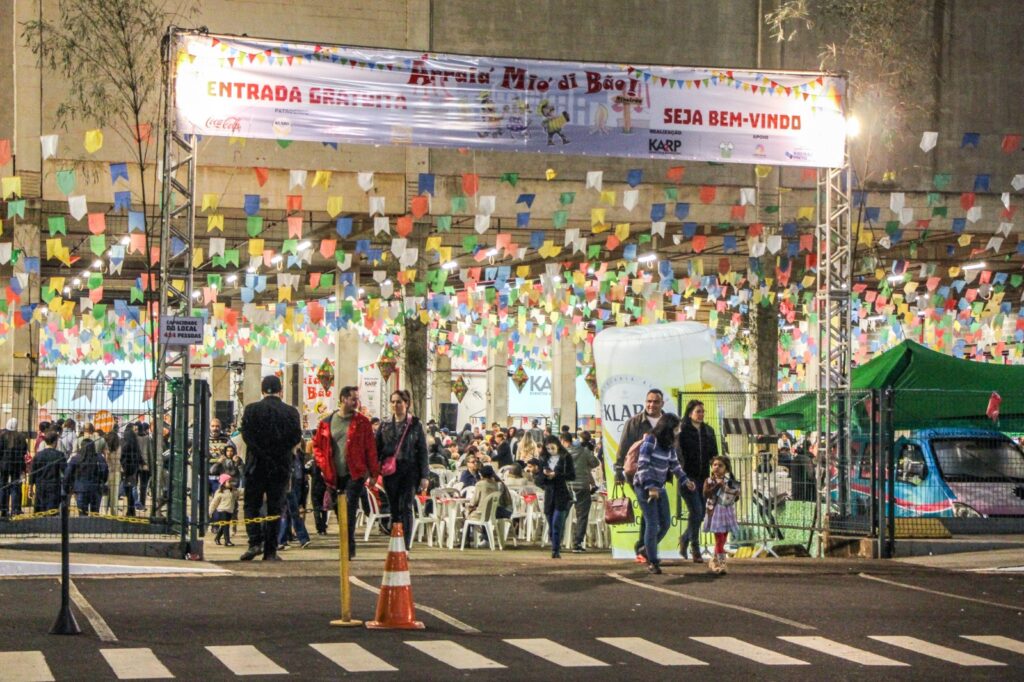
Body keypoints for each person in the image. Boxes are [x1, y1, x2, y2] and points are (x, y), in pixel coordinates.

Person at [239, 375, 303, 561]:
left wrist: (261, 452)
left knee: (251, 504)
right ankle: (270, 550)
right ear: (280, 390)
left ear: (262, 389)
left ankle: (254, 541)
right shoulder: (290, 412)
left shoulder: (251, 410)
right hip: (280, 466)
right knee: (275, 507)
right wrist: (279, 453)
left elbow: (247, 435)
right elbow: (296, 437)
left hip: (256, 465)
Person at [312, 385, 379, 560]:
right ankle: (346, 541)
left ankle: (348, 547)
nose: (356, 402)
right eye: (353, 398)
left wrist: (373, 473)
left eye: (357, 399)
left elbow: (370, 449)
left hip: (354, 474)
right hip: (333, 475)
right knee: (337, 509)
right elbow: (317, 446)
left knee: (349, 508)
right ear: (343, 399)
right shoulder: (326, 422)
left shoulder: (362, 422)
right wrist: (322, 464)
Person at [635, 414, 695, 574]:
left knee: (666, 523)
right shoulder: (651, 440)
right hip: (644, 486)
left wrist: (685, 481)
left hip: (659, 487)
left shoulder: (669, 445)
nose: (679, 431)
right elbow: (642, 465)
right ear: (668, 428)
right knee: (652, 522)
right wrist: (650, 487)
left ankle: (646, 549)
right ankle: (652, 561)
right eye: (676, 428)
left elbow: (674, 465)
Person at [614, 389, 667, 561]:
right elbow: (623, 448)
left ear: (662, 403)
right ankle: (649, 555)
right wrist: (618, 470)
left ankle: (643, 548)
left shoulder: (668, 423)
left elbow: (675, 449)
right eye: (649, 401)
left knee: (658, 519)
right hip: (639, 477)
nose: (652, 405)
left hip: (660, 477)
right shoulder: (634, 423)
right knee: (650, 517)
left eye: (656, 402)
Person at [377, 389, 429, 550]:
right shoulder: (385, 425)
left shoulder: (415, 425)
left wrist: (424, 476)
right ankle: (396, 541)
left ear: (406, 404)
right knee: (394, 508)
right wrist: (375, 469)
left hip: (410, 471)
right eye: (393, 402)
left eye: (399, 402)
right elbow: (376, 448)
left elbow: (422, 451)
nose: (395, 405)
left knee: (406, 506)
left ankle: (406, 545)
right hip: (390, 473)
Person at [678, 399, 719, 563]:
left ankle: (685, 538)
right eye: (698, 411)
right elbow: (677, 454)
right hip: (687, 477)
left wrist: (716, 473)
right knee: (695, 510)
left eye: (703, 411)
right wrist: (681, 475)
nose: (701, 414)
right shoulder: (682, 431)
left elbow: (714, 455)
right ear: (690, 413)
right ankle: (695, 548)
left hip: (703, 478)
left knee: (701, 513)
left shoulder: (708, 431)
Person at [531, 436, 576, 559]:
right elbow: (539, 480)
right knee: (551, 524)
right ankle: (555, 543)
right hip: (549, 494)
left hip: (562, 494)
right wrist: (545, 476)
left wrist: (556, 474)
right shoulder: (543, 459)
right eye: (548, 448)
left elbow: (572, 475)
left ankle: (555, 550)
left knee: (557, 523)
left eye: (553, 448)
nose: (551, 450)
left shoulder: (566, 457)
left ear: (558, 446)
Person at [703, 455, 741, 574]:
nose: (717, 467)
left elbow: (735, 498)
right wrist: (718, 486)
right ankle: (721, 563)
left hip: (726, 512)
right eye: (715, 465)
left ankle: (714, 559)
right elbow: (706, 494)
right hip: (714, 512)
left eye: (720, 465)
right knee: (719, 538)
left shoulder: (729, 482)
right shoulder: (709, 481)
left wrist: (734, 494)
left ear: (726, 469)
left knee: (723, 538)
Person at [563, 431, 600, 553]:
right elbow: (595, 462)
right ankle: (577, 543)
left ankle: (557, 541)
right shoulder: (584, 451)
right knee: (582, 516)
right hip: (582, 487)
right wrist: (585, 465)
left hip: (567, 487)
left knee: (562, 514)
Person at [278, 445, 311, 550]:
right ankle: (302, 538)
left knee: (289, 514)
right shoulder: (285, 455)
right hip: (287, 487)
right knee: (291, 513)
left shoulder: (300, 455)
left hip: (297, 485)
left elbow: (301, 472)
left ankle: (282, 540)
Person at [65, 439, 108, 516]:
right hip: (95, 489)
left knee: (82, 515)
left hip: (80, 489)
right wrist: (102, 481)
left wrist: (69, 486)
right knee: (95, 514)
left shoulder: (76, 458)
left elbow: (68, 474)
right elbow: (104, 470)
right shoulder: (99, 458)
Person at [31, 429, 66, 512]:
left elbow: (32, 472)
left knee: (40, 512)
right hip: (54, 486)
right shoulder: (59, 455)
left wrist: (30, 487)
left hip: (40, 486)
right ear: (55, 442)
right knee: (52, 512)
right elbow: (65, 471)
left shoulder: (38, 455)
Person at [0, 419, 27, 517]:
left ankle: (3, 509)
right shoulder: (21, 437)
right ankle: (16, 509)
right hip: (17, 465)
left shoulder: (2, 436)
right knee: (16, 486)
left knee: (3, 486)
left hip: (4, 465)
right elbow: (24, 451)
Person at [209, 474, 240, 546]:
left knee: (223, 526)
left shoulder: (234, 491)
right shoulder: (220, 492)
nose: (231, 483)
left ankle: (217, 538)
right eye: (229, 481)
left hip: (230, 511)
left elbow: (241, 491)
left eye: (232, 481)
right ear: (223, 483)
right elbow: (214, 503)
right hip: (222, 511)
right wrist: (210, 511)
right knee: (226, 526)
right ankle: (227, 541)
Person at [119, 424, 143, 516]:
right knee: (130, 490)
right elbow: (139, 457)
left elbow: (121, 457)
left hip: (126, 470)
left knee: (128, 491)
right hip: (133, 469)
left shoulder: (125, 445)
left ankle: (130, 510)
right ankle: (131, 510)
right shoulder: (135, 445)